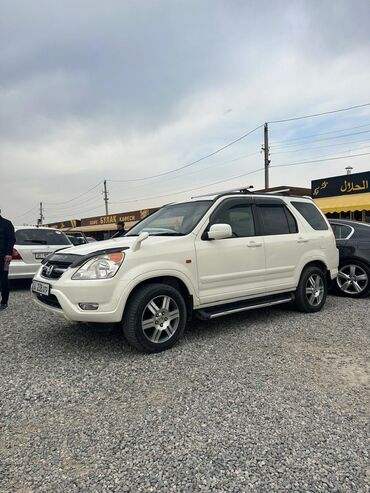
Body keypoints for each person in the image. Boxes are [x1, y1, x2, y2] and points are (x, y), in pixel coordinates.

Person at [0, 212, 16, 310]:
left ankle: (4, 302)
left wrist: (9, 253)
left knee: (3, 279)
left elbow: (11, 239)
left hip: (3, 257)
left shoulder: (6, 223)